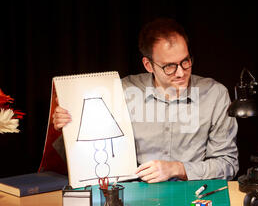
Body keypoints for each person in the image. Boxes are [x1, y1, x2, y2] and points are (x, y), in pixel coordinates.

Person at [53, 18, 238, 183]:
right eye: (169, 67)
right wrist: (67, 128)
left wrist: (177, 168)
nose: (181, 73)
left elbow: (228, 164)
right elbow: (84, 158)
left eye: (185, 61)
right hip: (138, 194)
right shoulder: (122, 91)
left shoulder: (215, 94)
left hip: (195, 193)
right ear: (148, 65)